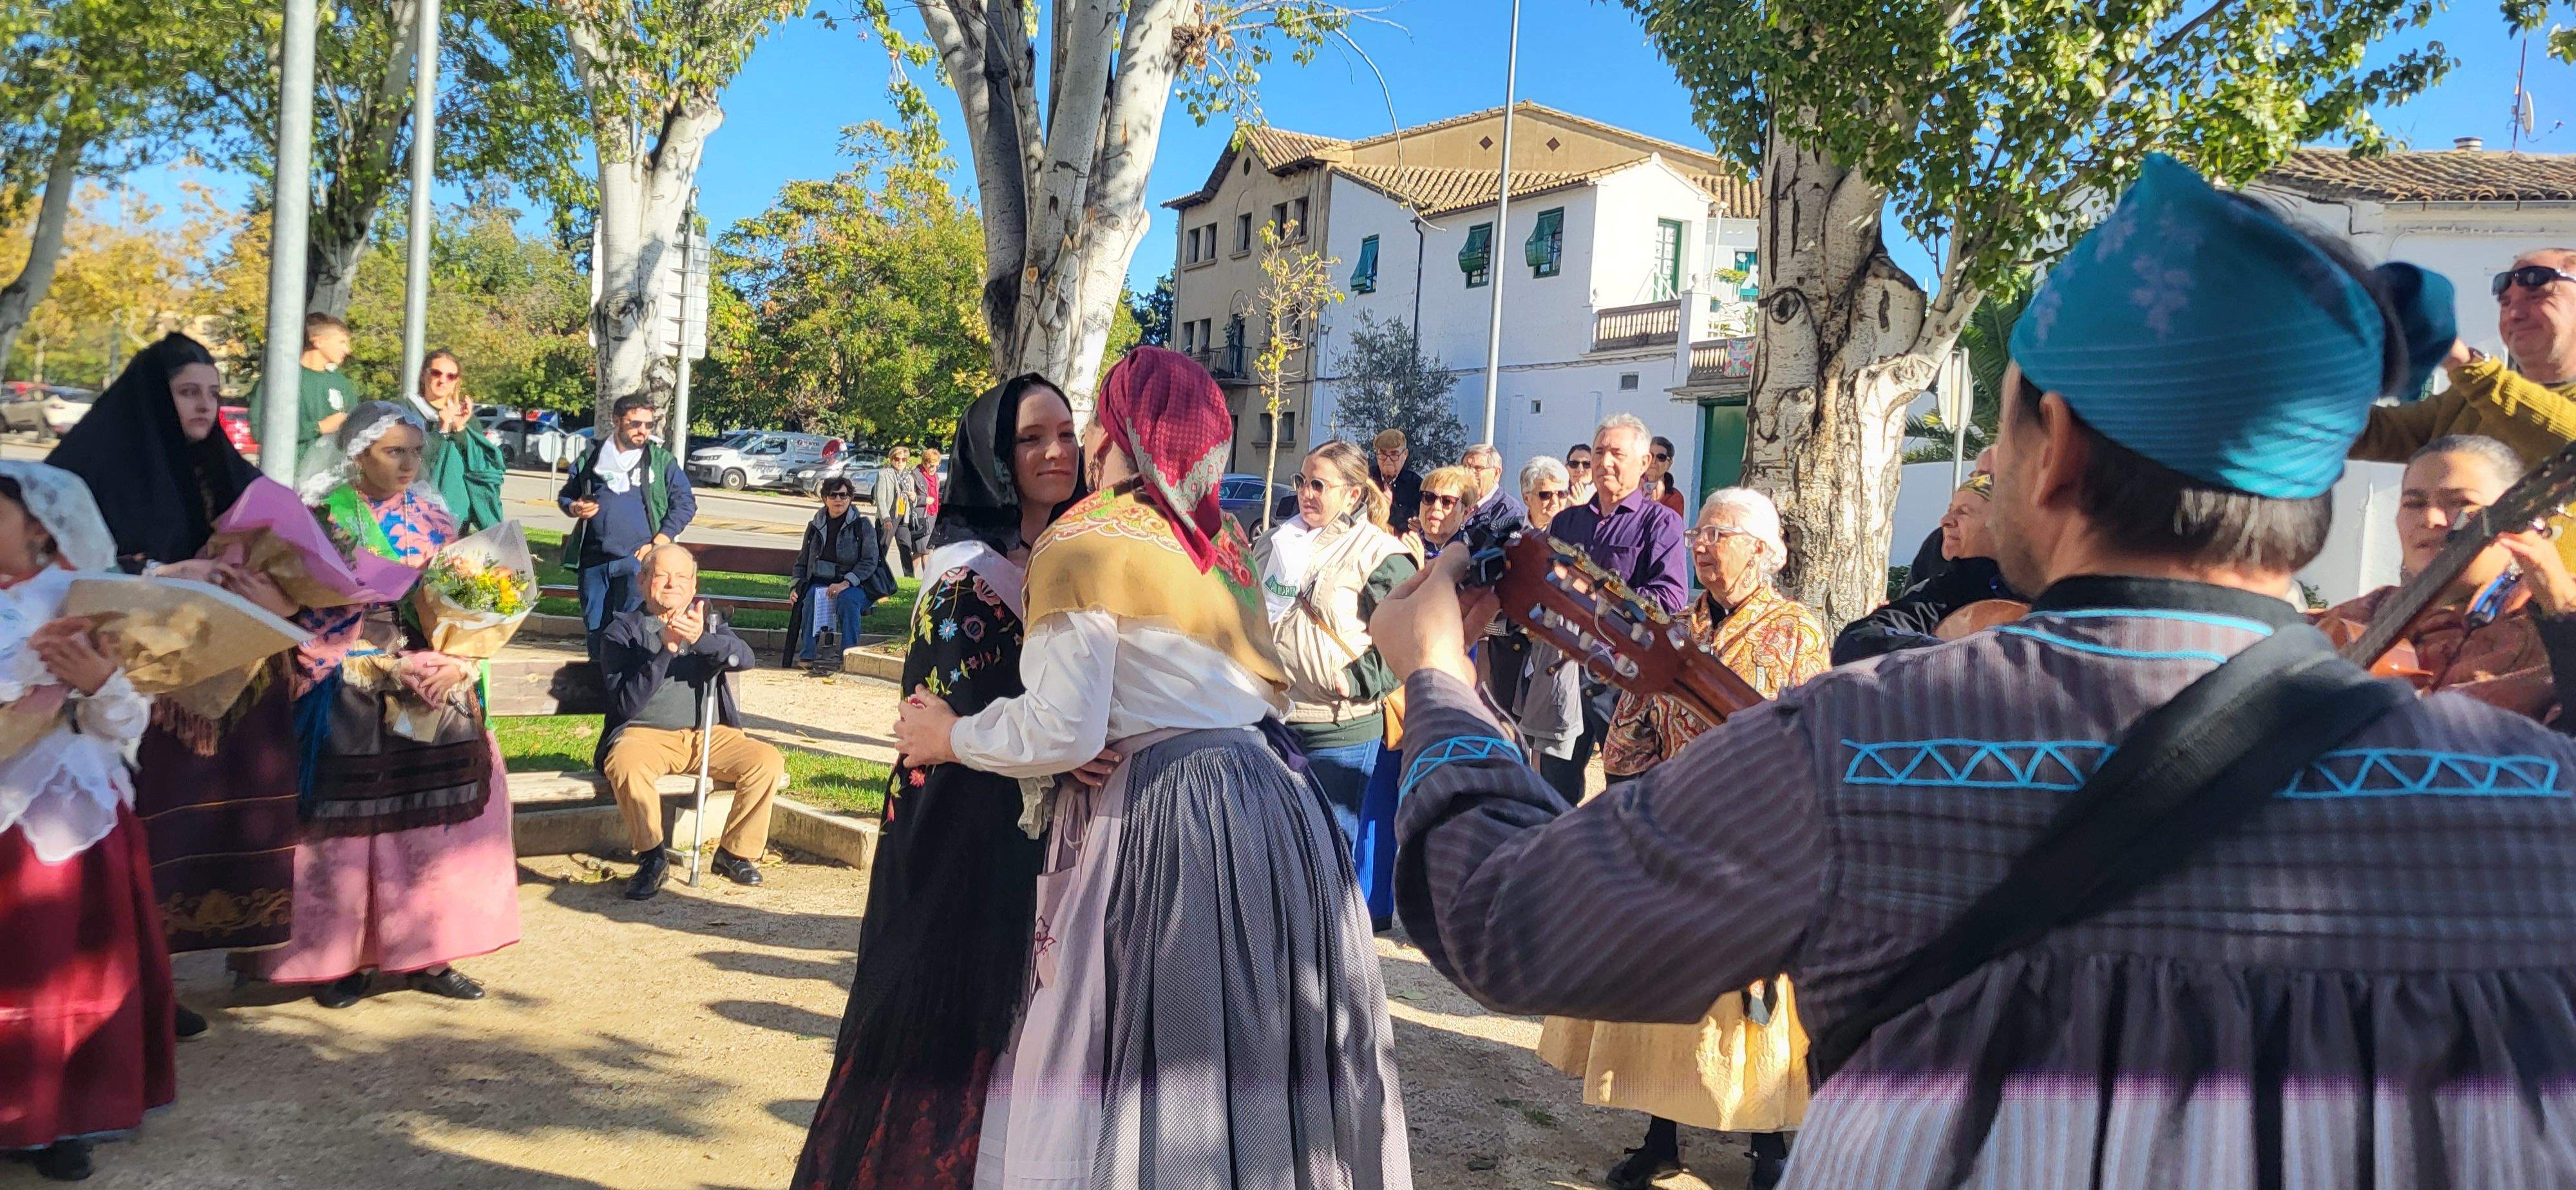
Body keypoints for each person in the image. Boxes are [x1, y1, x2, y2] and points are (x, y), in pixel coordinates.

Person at [1371, 154, 2576, 1186]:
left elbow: (1509, 921)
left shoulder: (1864, 745)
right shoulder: (2533, 801)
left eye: (2001, 426)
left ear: (2057, 453)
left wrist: (1438, 680)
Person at [887, 346, 1408, 1188]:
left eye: (1096, 420)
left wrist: (950, 735)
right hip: (1277, 807)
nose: (1086, 441)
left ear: (1118, 431)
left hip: (1171, 814)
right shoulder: (1222, 541)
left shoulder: (1085, 540)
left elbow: (1063, 729)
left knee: (1158, 1053)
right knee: (1256, 1045)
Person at [794, 373, 1086, 1189]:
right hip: (966, 832)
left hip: (1067, 830)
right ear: (993, 457)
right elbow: (949, 718)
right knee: (953, 1024)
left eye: (1066, 433)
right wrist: (1066, 746)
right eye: (1030, 438)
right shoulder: (963, 573)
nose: (1056, 452)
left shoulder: (1090, 548)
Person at [1555, 487, 1829, 1190]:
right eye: (1698, 534)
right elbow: (1628, 732)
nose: (1702, 546)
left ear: (1763, 551)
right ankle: (1661, 1137)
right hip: (1676, 830)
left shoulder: (1796, 631)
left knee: (1755, 1001)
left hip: (1759, 839)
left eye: (1719, 534)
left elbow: (1811, 741)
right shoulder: (1674, 630)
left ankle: (1770, 1148)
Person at [49, 334, 298, 1039]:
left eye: (214, 394)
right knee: (138, 838)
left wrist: (278, 593)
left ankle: (159, 982)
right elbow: (60, 566)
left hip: (221, 687)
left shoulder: (226, 472)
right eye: (189, 392)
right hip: (125, 691)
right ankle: (111, 988)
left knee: (194, 836)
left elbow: (290, 557)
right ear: (153, 397)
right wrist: (162, 573)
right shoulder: (90, 469)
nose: (205, 406)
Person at [237, 402, 519, 1009]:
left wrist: (461, 658)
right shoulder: (323, 515)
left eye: (416, 452)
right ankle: (336, 960)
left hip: (427, 677)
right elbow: (297, 609)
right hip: (346, 679)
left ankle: (428, 951)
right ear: (358, 453)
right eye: (394, 452)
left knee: (434, 820)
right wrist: (364, 658)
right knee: (345, 827)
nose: (409, 463)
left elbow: (464, 602)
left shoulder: (436, 518)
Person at [0, 462, 171, 1183]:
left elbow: (129, 720)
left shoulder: (87, 602)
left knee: (65, 968)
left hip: (70, 819)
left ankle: (60, 1116)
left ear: (40, 529)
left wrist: (98, 683)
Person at [1249, 439, 1417, 915]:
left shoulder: (1378, 553)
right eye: (1302, 482)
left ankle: (1328, 952)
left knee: (1326, 856)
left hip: (1338, 725)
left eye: (1319, 485)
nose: (1307, 493)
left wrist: (1357, 680)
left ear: (1353, 494)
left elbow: (1407, 637)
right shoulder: (1275, 543)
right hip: (1272, 719)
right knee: (1272, 849)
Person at [2349, 247, 2576, 567]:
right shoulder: (2467, 399)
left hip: (2553, 598)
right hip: (2446, 597)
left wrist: (2463, 361)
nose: (2514, 314)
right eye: (2506, 302)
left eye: (2536, 297)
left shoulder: (2479, 386)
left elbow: (2568, 445)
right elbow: (2368, 432)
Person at [2310, 435, 2556, 721]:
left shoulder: (2547, 620)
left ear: (2522, 519)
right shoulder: (2362, 614)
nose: (2431, 519)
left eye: (2461, 502)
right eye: (2414, 504)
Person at [597, 545, 779, 900]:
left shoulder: (708, 622)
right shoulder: (623, 632)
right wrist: (665, 651)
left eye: (682, 577)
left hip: (709, 735)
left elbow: (745, 658)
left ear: (694, 585)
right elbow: (627, 703)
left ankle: (734, 853)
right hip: (645, 736)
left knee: (766, 761)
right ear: (642, 581)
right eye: (662, 576)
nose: (672, 584)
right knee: (625, 765)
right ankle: (652, 857)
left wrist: (701, 641)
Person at [1540, 413, 1688, 800]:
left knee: (1628, 798)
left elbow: (1670, 598)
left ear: (1644, 463)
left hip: (1625, 681)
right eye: (1598, 452)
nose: (1604, 462)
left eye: (1617, 454)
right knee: (1553, 792)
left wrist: (1599, 597)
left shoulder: (1661, 523)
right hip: (1566, 671)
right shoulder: (1567, 522)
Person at [1832, 469, 2025, 663]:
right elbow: (1858, 639)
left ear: (2002, 526)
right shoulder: (1948, 589)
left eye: (1963, 512)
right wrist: (1947, 652)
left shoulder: (2033, 588)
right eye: (1950, 510)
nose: (1945, 521)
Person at [558, 395, 697, 661]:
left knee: (632, 630)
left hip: (637, 562)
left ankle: (630, 682)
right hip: (594, 561)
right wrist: (575, 507)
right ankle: (599, 680)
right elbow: (568, 496)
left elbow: (685, 504)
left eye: (648, 425)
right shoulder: (592, 456)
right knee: (595, 630)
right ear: (616, 421)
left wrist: (657, 544)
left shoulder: (659, 461)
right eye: (635, 424)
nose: (642, 430)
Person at [782, 476, 895, 668]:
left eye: (844, 495)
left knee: (848, 599)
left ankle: (848, 657)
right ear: (825, 498)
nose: (839, 500)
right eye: (833, 495)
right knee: (811, 597)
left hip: (858, 585)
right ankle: (807, 656)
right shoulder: (815, 526)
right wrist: (795, 586)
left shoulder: (862, 525)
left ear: (850, 498)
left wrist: (846, 583)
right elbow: (803, 562)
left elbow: (869, 562)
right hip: (822, 582)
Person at [247, 312, 361, 470]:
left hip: (333, 479)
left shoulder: (342, 383)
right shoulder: (279, 381)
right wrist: (318, 428)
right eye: (342, 342)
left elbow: (358, 434)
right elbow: (260, 431)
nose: (347, 350)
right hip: (288, 476)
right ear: (319, 341)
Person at [408, 350, 506, 534]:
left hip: (457, 520)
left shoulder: (468, 419)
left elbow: (478, 467)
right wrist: (442, 429)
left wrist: (460, 429)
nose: (443, 380)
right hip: (412, 513)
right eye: (436, 373)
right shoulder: (406, 410)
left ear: (456, 382)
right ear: (423, 375)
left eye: (450, 376)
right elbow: (412, 461)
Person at [874, 446, 927, 580]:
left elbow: (912, 502)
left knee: (906, 548)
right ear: (891, 459)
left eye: (904, 459)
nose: (900, 462)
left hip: (904, 518)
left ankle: (909, 579)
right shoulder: (884, 474)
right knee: (882, 549)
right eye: (897, 459)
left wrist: (914, 498)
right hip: (889, 517)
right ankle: (877, 577)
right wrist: (886, 519)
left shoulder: (909, 477)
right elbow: (880, 499)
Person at [1405, 465, 1476, 561]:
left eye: (1447, 501)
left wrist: (1420, 565)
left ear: (1465, 513)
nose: (1436, 507)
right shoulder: (1403, 547)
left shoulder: (1473, 557)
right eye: (1429, 497)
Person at [1460, 442, 1524, 534]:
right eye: (1465, 468)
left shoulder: (1510, 513)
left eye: (1478, 469)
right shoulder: (1452, 504)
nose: (1469, 474)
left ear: (1497, 473)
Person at [1372, 427, 1423, 529]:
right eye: (1383, 454)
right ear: (1377, 454)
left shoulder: (1416, 486)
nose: (1388, 460)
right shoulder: (1365, 481)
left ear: (1405, 455)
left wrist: (1422, 528)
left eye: (1394, 454)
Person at [1645, 434, 1687, 515]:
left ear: (1669, 463)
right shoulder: (1631, 489)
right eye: (1650, 456)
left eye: (1661, 457)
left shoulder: (1675, 497)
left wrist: (1656, 504)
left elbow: (1671, 522)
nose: (1654, 461)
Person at [1566, 441, 1596, 505]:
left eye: (1586, 464)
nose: (1580, 470)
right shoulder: (1556, 493)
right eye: (1574, 464)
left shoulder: (1602, 495)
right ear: (1566, 466)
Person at [919, 446, 943, 520]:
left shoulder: (936, 478)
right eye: (932, 466)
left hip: (934, 514)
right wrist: (924, 500)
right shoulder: (916, 476)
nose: (935, 469)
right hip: (921, 515)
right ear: (924, 463)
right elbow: (910, 498)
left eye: (937, 466)